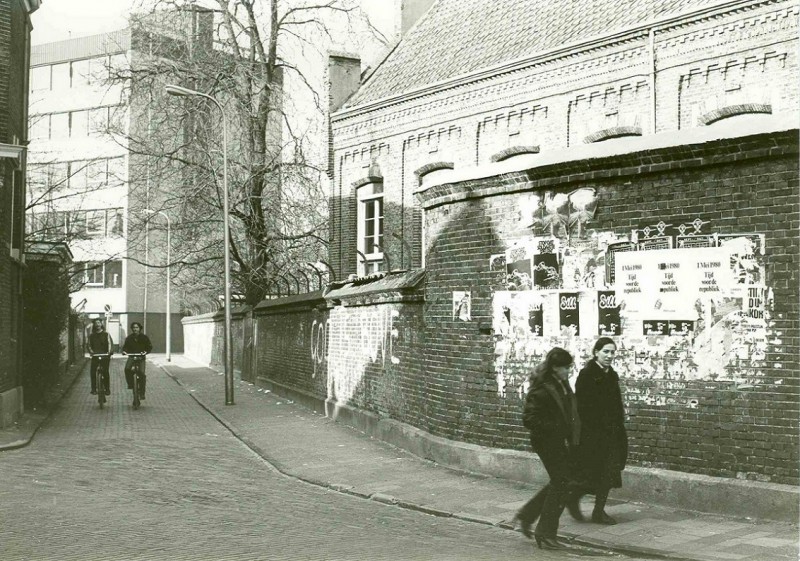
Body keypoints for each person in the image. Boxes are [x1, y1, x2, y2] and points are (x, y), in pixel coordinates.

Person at [515, 347, 583, 550]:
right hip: (546, 442)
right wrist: (556, 428)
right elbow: (529, 420)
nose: (568, 371)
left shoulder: (561, 384)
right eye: (565, 368)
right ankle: (545, 533)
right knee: (561, 482)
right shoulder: (542, 389)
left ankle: (527, 516)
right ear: (555, 368)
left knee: (560, 481)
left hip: (559, 441)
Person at [575, 337, 628, 525]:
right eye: (605, 351)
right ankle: (573, 499)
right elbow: (583, 407)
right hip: (594, 435)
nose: (609, 356)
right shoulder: (587, 374)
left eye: (612, 352)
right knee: (591, 475)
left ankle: (598, 511)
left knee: (608, 473)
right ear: (596, 352)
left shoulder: (611, 375)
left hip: (611, 433)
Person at [122, 322, 153, 399]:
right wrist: (124, 351)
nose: (135, 329)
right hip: (132, 357)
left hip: (141, 357)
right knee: (127, 369)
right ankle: (130, 384)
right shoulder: (129, 338)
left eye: (137, 327)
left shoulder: (144, 337)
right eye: (134, 327)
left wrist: (145, 352)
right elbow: (125, 347)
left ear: (140, 328)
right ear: (132, 329)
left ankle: (142, 393)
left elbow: (149, 347)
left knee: (142, 374)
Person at [87, 318, 113, 395]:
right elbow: (88, 345)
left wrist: (109, 352)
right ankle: (93, 389)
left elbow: (110, 344)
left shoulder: (106, 334)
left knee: (105, 372)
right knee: (92, 371)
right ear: (94, 325)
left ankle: (107, 389)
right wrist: (91, 352)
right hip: (95, 356)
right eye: (96, 323)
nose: (97, 324)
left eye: (99, 323)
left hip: (105, 356)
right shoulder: (91, 336)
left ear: (101, 324)